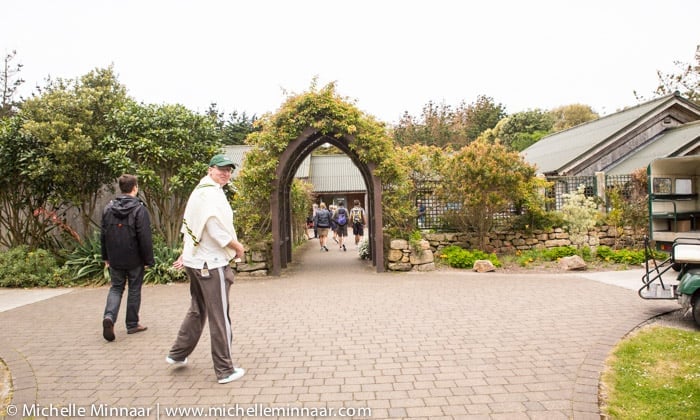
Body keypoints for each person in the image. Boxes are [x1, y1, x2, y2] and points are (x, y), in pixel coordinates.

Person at [166, 154, 246, 384]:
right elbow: (213, 227)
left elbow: (189, 225)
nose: (226, 173)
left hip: (195, 261)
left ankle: (177, 353)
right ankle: (225, 369)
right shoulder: (209, 193)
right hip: (210, 264)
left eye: (229, 170)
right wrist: (237, 247)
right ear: (210, 169)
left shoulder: (200, 191)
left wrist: (186, 252)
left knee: (197, 309)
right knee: (219, 316)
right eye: (221, 169)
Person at [101, 174, 155, 342]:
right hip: (135, 257)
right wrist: (148, 260)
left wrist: (106, 257)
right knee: (134, 289)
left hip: (115, 256)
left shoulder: (108, 208)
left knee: (116, 288)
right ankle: (132, 324)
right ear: (135, 188)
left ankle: (109, 317)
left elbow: (103, 234)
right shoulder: (139, 209)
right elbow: (144, 236)